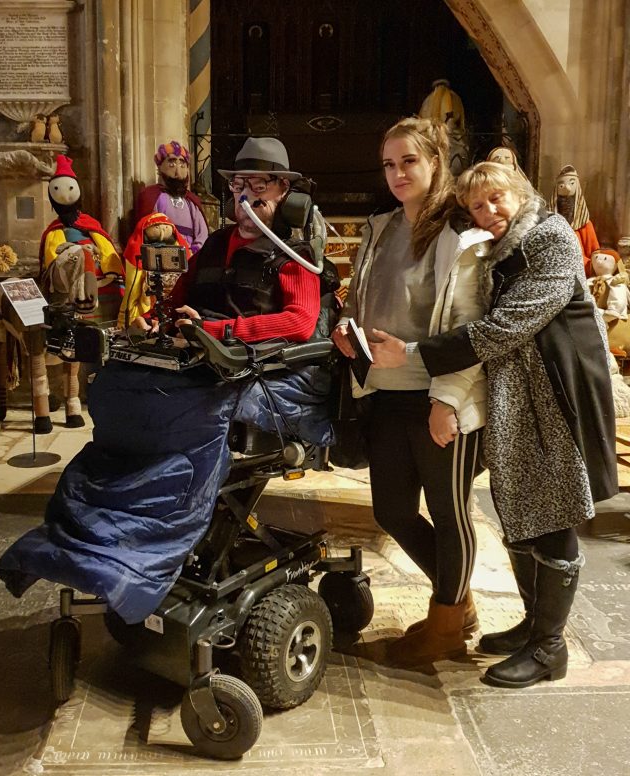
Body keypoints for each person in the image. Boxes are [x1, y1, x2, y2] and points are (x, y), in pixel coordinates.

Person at [369, 161, 617, 687]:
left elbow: (505, 326)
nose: (490, 212)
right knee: (523, 510)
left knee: (554, 513)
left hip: (557, 394)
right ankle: (532, 625)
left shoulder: (551, 239)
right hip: (519, 397)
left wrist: (412, 352)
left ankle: (550, 648)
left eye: (497, 199)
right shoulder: (498, 251)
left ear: (521, 192)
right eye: (478, 206)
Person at [332, 117, 491, 668]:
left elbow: (470, 327)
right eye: (389, 164)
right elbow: (363, 300)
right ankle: (458, 603)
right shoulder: (379, 228)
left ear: (434, 163)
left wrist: (446, 398)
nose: (397, 173)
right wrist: (347, 329)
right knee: (393, 511)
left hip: (437, 396)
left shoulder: (462, 237)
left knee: (450, 513)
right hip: (384, 392)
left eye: (409, 162)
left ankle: (446, 625)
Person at [163, 136, 328, 343]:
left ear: (284, 189)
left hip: (249, 367)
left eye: (259, 186)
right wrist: (157, 320)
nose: (246, 197)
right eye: (238, 185)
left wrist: (215, 331)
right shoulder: (215, 243)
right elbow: (177, 298)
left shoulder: (294, 256)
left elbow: (300, 322)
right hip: (194, 354)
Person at [135, 140, 209, 254]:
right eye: (171, 163)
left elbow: (202, 233)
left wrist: (194, 251)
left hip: (191, 256)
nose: (177, 170)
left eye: (182, 164)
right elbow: (148, 230)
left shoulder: (191, 201)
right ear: (160, 167)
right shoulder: (152, 196)